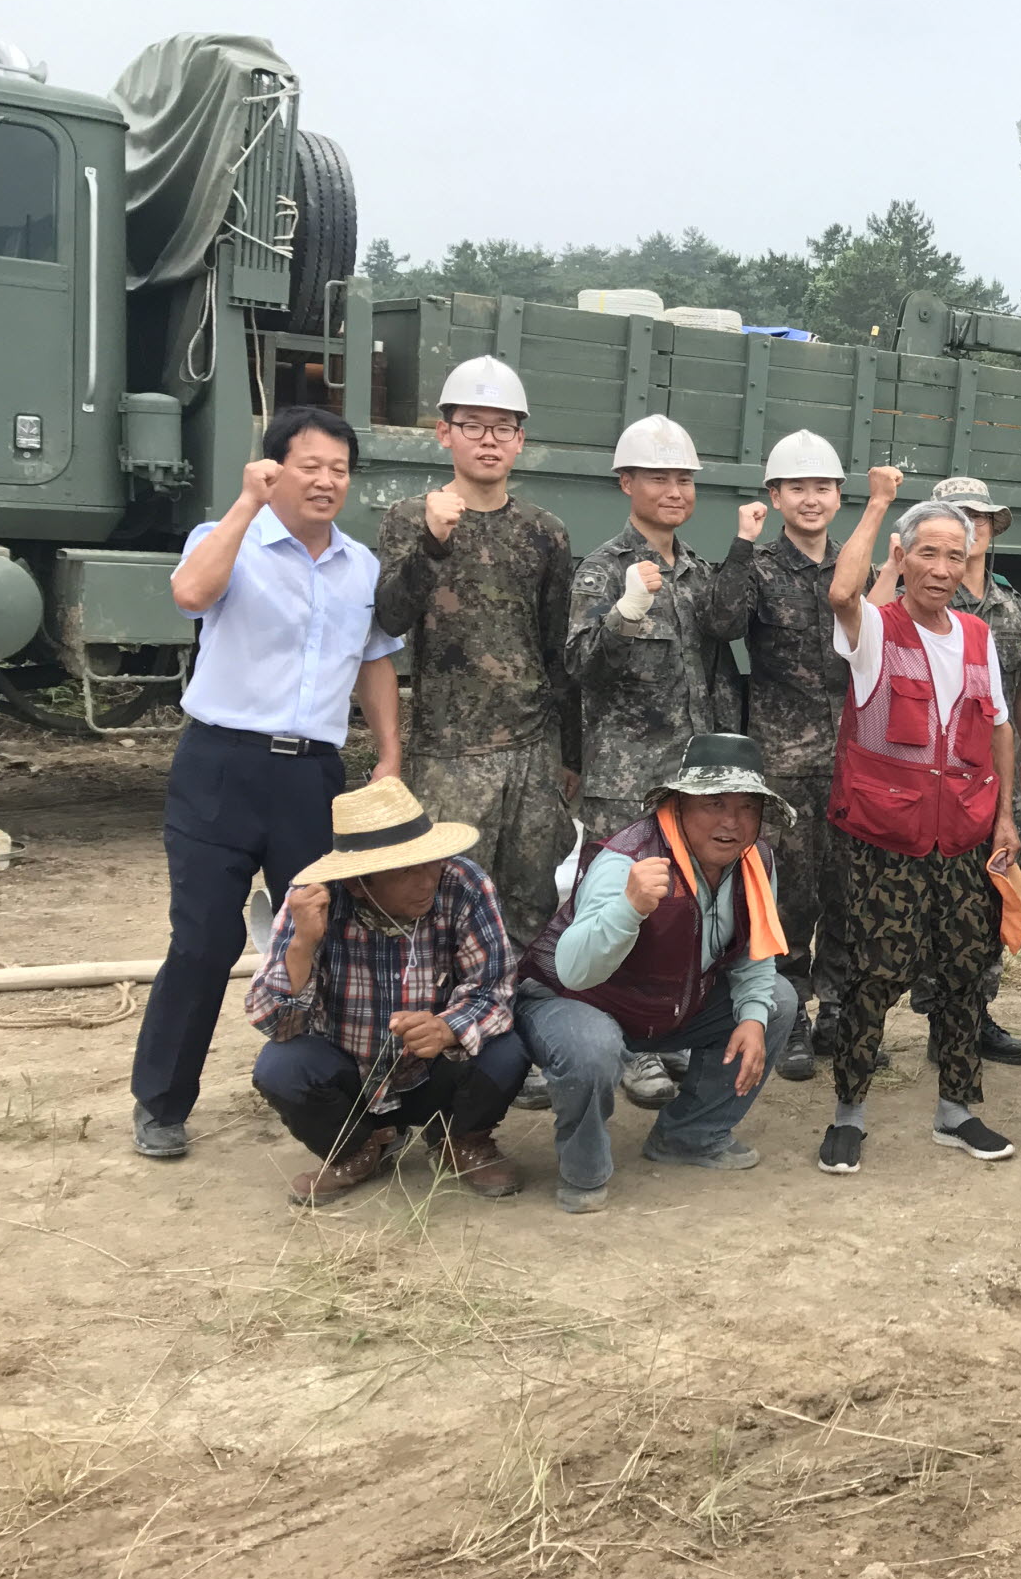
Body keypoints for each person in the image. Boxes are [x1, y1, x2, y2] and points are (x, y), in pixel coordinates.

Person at [130, 406, 403, 1161]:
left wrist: (389, 752)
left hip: (311, 777)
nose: (326, 481)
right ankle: (161, 1104)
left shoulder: (361, 567)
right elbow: (190, 594)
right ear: (275, 467)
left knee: (330, 935)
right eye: (310, 466)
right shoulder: (228, 536)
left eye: (339, 469)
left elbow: (375, 660)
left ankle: (334, 1097)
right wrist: (246, 504)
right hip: (220, 765)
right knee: (204, 939)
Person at [818, 469, 1021, 1175]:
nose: (941, 568)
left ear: (968, 565)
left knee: (966, 974)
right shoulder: (875, 628)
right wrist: (878, 504)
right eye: (927, 553)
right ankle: (848, 1113)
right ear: (902, 558)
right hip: (888, 839)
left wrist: (1005, 818)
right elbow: (841, 593)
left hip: (964, 837)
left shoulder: (977, 634)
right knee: (872, 976)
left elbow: (999, 728)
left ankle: (956, 1110)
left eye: (954, 556)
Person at [514, 735, 801, 1214]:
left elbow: (756, 953)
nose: (732, 822)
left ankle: (690, 1136)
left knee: (778, 1000)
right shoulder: (627, 861)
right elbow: (573, 971)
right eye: (715, 804)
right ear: (678, 805)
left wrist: (753, 1017)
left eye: (748, 807)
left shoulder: (756, 861)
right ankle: (584, 1170)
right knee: (591, 1047)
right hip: (577, 1002)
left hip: (667, 1006)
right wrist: (630, 907)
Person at [566, 413, 743, 1108]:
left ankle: (668, 1033)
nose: (674, 490)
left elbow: (719, 673)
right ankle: (623, 1044)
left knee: (684, 916)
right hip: (626, 784)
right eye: (658, 477)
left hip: (690, 785)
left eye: (684, 479)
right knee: (622, 913)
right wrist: (627, 608)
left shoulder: (700, 573)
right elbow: (580, 665)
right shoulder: (602, 570)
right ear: (626, 483)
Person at [373, 356, 580, 948]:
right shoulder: (410, 519)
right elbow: (389, 617)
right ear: (445, 433)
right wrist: (432, 542)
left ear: (520, 441)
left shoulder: (544, 530)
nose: (488, 440)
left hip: (531, 751)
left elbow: (558, 648)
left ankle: (521, 1007)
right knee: (445, 902)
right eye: (472, 425)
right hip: (449, 753)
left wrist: (570, 751)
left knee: (532, 905)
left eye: (503, 428)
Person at [247, 777, 525, 1206]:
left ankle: (460, 1139)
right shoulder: (313, 902)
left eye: (430, 863)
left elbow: (495, 990)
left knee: (507, 1049)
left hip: (436, 1070)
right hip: (352, 1076)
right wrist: (302, 945)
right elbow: (272, 1023)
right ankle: (358, 1150)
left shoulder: (463, 883)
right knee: (280, 1067)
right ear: (358, 884)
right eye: (405, 872)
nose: (426, 882)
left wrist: (446, 1028)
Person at [862, 474, 1021, 1068]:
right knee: (899, 913)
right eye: (962, 516)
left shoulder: (1007, 605)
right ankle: (872, 1025)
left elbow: (1019, 689)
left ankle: (968, 1018)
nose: (974, 527)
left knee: (983, 904)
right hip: (915, 782)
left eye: (982, 519)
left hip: (984, 779)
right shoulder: (910, 596)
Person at [699, 430, 861, 1082]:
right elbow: (720, 623)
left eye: (822, 486)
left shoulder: (855, 566)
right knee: (786, 896)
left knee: (848, 891)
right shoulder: (761, 567)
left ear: (839, 496)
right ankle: (789, 1015)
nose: (811, 498)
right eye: (797, 487)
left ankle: (840, 1012)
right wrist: (741, 544)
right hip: (785, 764)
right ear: (775, 496)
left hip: (853, 762)